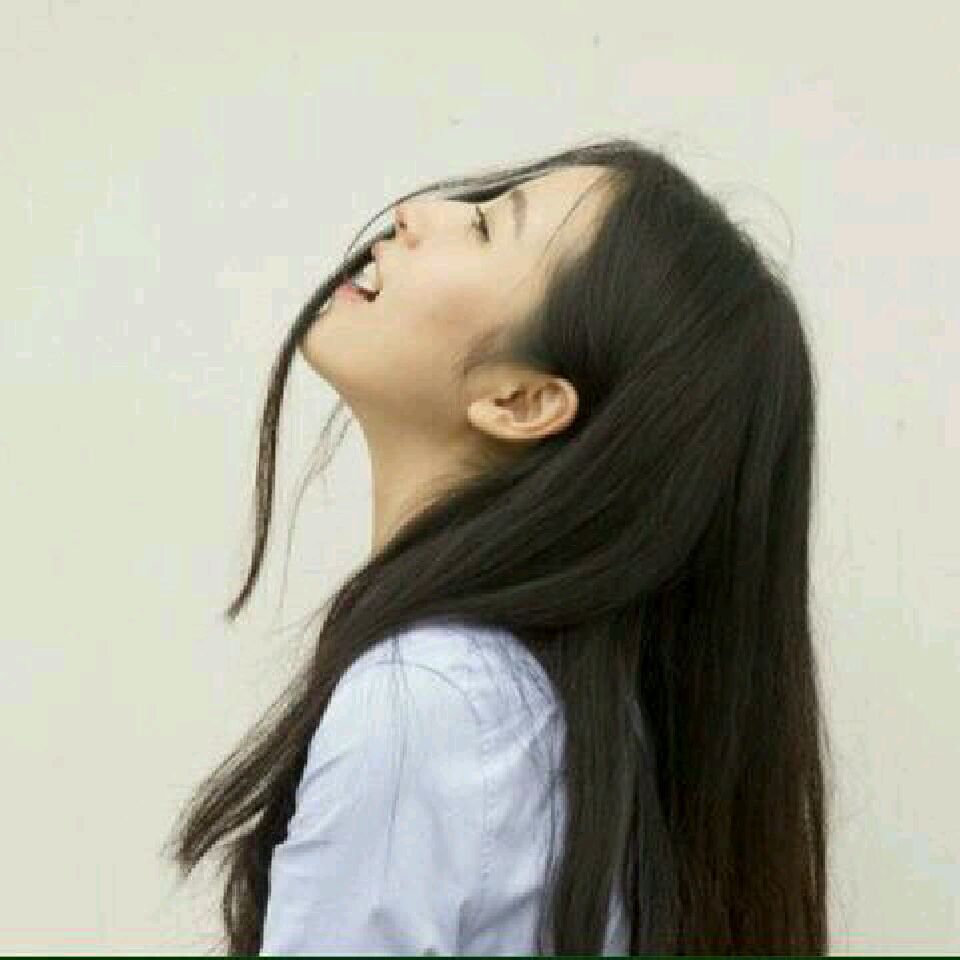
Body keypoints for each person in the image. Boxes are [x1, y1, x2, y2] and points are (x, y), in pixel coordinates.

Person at [163, 136, 831, 955]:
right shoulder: (583, 720)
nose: (415, 214)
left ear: (520, 400)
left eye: (484, 226)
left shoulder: (428, 703)